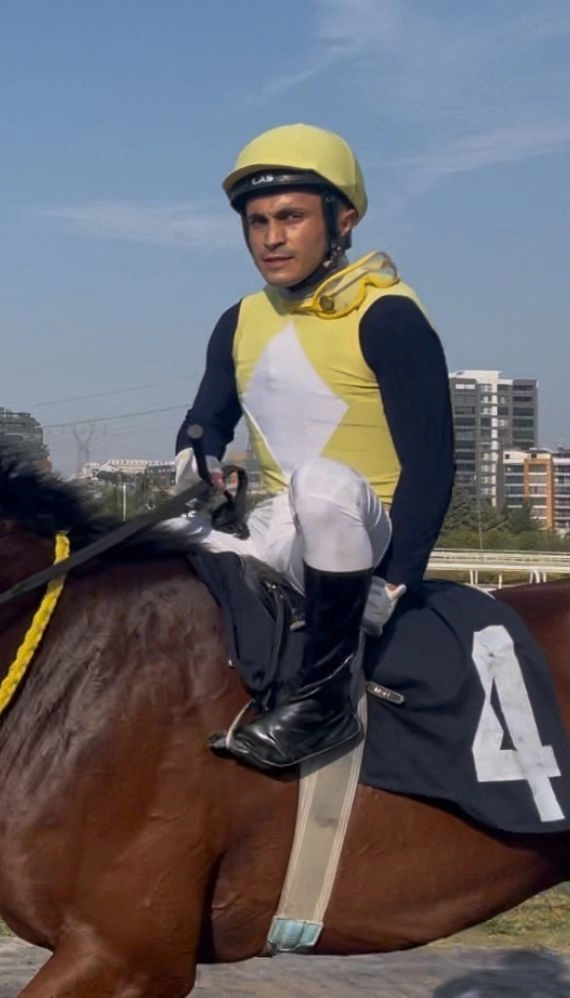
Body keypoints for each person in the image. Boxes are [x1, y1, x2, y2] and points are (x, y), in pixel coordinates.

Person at [170, 123, 455, 772]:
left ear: (343, 220)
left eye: (291, 217)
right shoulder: (239, 319)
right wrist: (199, 466)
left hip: (364, 529)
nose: (271, 238)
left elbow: (434, 465)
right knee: (145, 554)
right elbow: (205, 423)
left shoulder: (390, 315)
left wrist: (395, 581)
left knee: (322, 484)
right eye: (257, 221)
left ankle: (325, 703)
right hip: (280, 528)